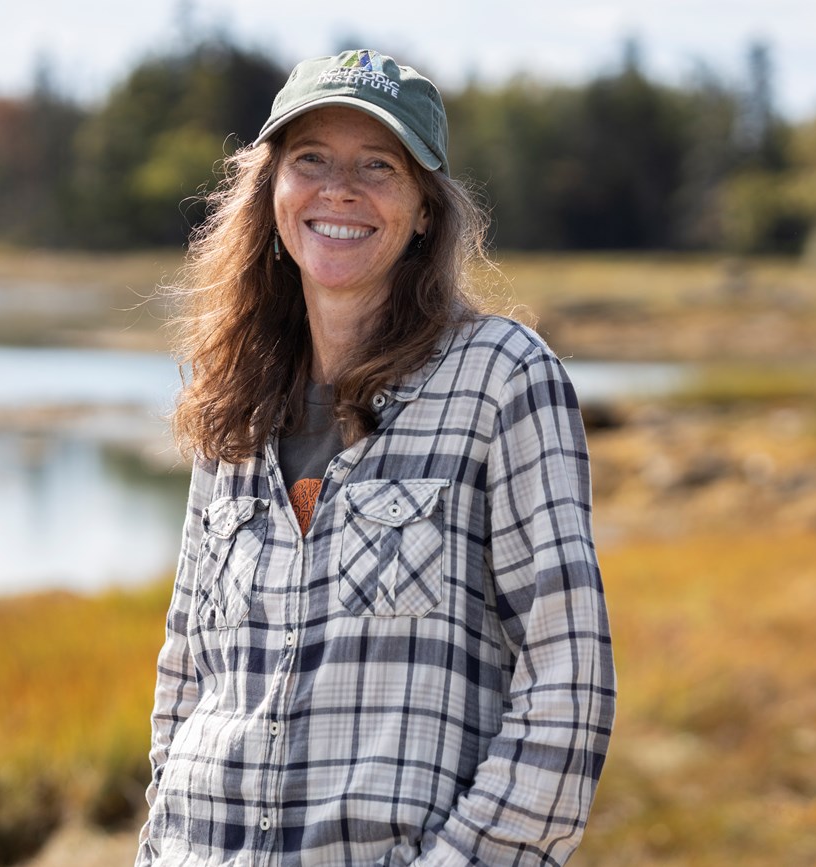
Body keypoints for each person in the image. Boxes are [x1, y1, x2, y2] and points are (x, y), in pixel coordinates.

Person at [136, 49, 615, 866]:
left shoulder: (502, 376)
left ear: (425, 209)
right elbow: (186, 673)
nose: (339, 190)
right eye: (310, 160)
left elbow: (567, 688)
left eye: (378, 166)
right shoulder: (236, 398)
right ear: (272, 192)